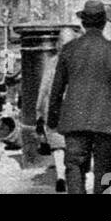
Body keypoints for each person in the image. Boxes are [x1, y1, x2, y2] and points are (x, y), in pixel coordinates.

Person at [45, 0, 111, 194]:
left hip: (75, 118)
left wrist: (52, 119)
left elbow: (57, 89)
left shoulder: (69, 50)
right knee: (104, 168)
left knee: (74, 165)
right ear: (104, 23)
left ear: (83, 23)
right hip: (106, 120)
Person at [35, 27, 79, 193]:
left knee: (58, 144)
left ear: (58, 44)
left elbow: (44, 88)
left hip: (55, 108)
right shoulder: (83, 61)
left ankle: (60, 176)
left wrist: (39, 111)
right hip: (76, 107)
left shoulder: (53, 62)